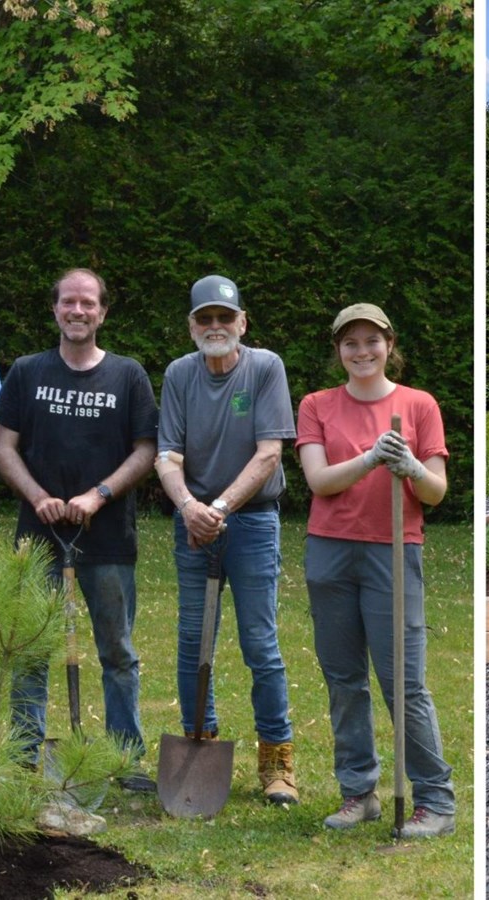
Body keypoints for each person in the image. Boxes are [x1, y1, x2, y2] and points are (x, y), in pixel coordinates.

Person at [0, 268, 158, 790]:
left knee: (117, 652)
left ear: (103, 313)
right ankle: (24, 757)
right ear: (55, 310)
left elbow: (147, 450)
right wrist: (38, 497)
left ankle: (124, 760)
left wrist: (99, 495)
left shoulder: (128, 375)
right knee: (32, 649)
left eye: (88, 303)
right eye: (69, 302)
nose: (78, 311)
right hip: (38, 538)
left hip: (107, 539)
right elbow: (2, 446)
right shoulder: (26, 371)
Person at [296, 303, 455, 838]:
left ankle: (435, 801)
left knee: (403, 683)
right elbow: (318, 481)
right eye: (350, 343)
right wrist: (368, 460)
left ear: (389, 345)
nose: (361, 352)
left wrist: (410, 466)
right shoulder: (317, 405)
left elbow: (435, 492)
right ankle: (357, 793)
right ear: (338, 350)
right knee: (343, 679)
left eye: (371, 341)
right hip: (330, 552)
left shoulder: (418, 404)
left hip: (393, 550)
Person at [154, 274, 299, 806]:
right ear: (192, 326)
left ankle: (276, 762)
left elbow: (268, 455)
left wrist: (216, 508)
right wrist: (189, 507)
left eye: (225, 317)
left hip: (252, 523)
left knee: (259, 643)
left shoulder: (265, 368)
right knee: (194, 639)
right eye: (204, 319)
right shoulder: (178, 374)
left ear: (242, 323)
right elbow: (167, 454)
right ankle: (200, 738)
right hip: (193, 523)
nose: (215, 327)